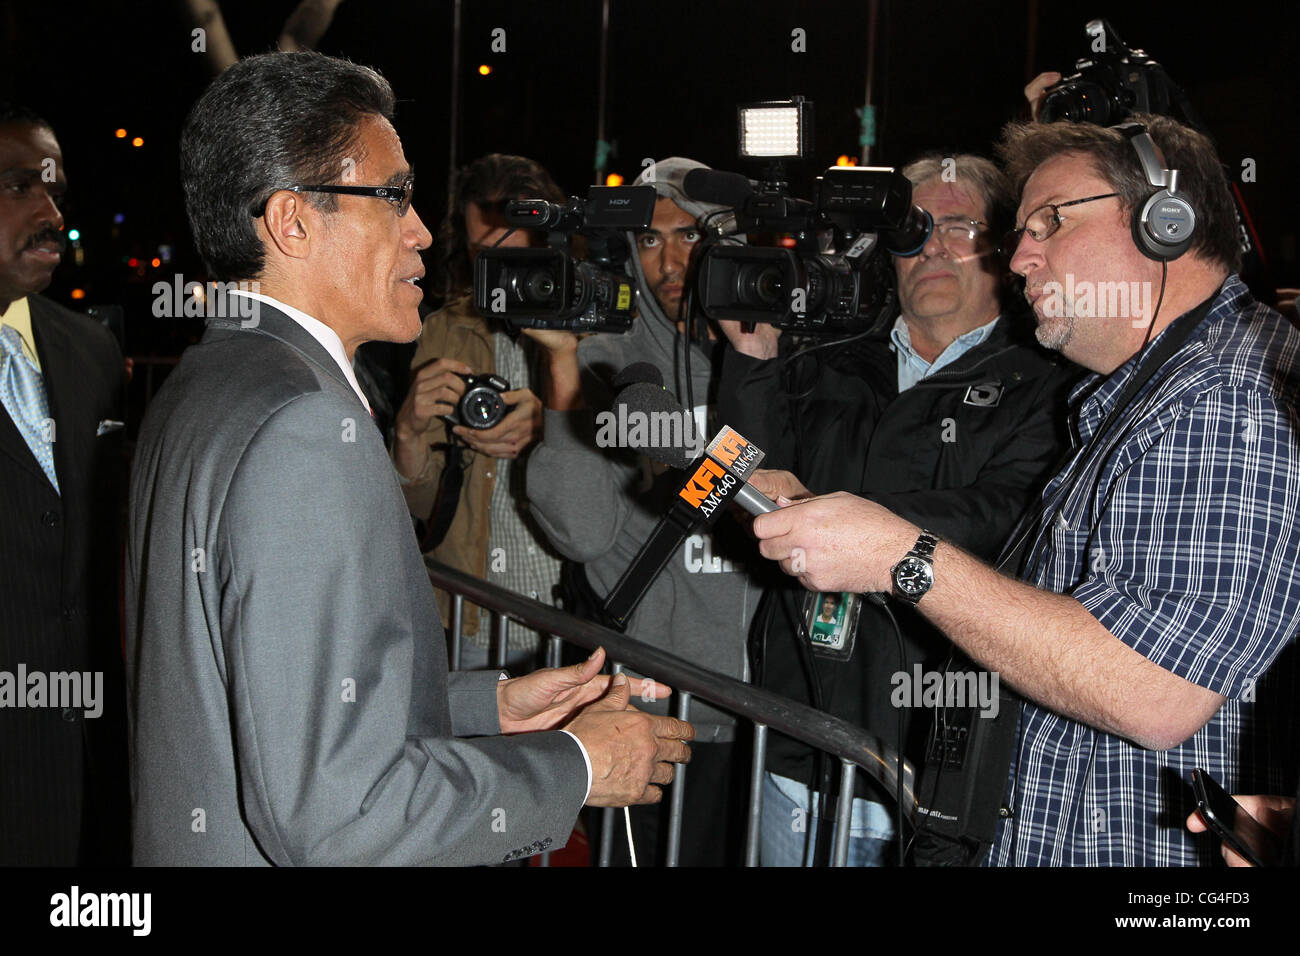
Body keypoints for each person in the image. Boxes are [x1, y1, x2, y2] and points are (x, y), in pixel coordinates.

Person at [126, 51, 693, 866]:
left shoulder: (207, 378)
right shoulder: (304, 425)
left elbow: (268, 701)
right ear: (292, 221)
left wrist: (486, 706)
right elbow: (338, 814)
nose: (423, 229)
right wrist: (576, 763)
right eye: (394, 196)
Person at [751, 115, 1300, 866]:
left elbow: (1153, 689)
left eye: (1049, 222)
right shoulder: (1145, 393)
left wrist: (899, 556)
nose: (1020, 257)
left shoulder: (1223, 395)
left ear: (1163, 222)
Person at [718, 154, 1076, 865]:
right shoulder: (829, 357)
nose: (933, 246)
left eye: (959, 226)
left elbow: (1011, 515)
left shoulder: (1048, 376)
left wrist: (841, 519)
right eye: (912, 231)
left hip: (931, 766)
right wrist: (752, 361)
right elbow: (738, 489)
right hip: (797, 745)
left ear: (1004, 249)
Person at [526, 157, 764, 865]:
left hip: (776, 721)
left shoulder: (780, 355)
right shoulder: (609, 353)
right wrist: (565, 372)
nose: (669, 260)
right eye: (650, 241)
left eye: (689, 236)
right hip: (657, 716)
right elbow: (579, 530)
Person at [0, 103, 129, 865]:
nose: (51, 213)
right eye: (20, 185)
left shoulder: (89, 352)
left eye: (55, 191)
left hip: (90, 770)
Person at [392, 154, 566, 672]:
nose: (504, 276)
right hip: (469, 616)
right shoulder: (445, 331)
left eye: (517, 256)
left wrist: (558, 428)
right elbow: (424, 507)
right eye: (484, 256)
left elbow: (644, 474)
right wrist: (408, 434)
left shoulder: (593, 329)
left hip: (571, 613)